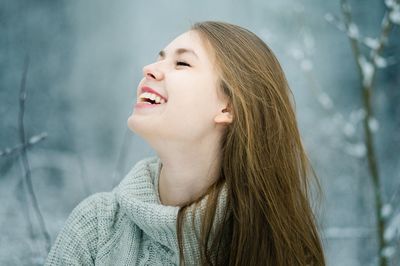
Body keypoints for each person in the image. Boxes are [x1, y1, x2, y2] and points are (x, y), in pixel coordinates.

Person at [45, 21, 326, 265]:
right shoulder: (96, 226)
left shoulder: (278, 247)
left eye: (182, 63)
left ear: (228, 108)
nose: (150, 69)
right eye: (160, 58)